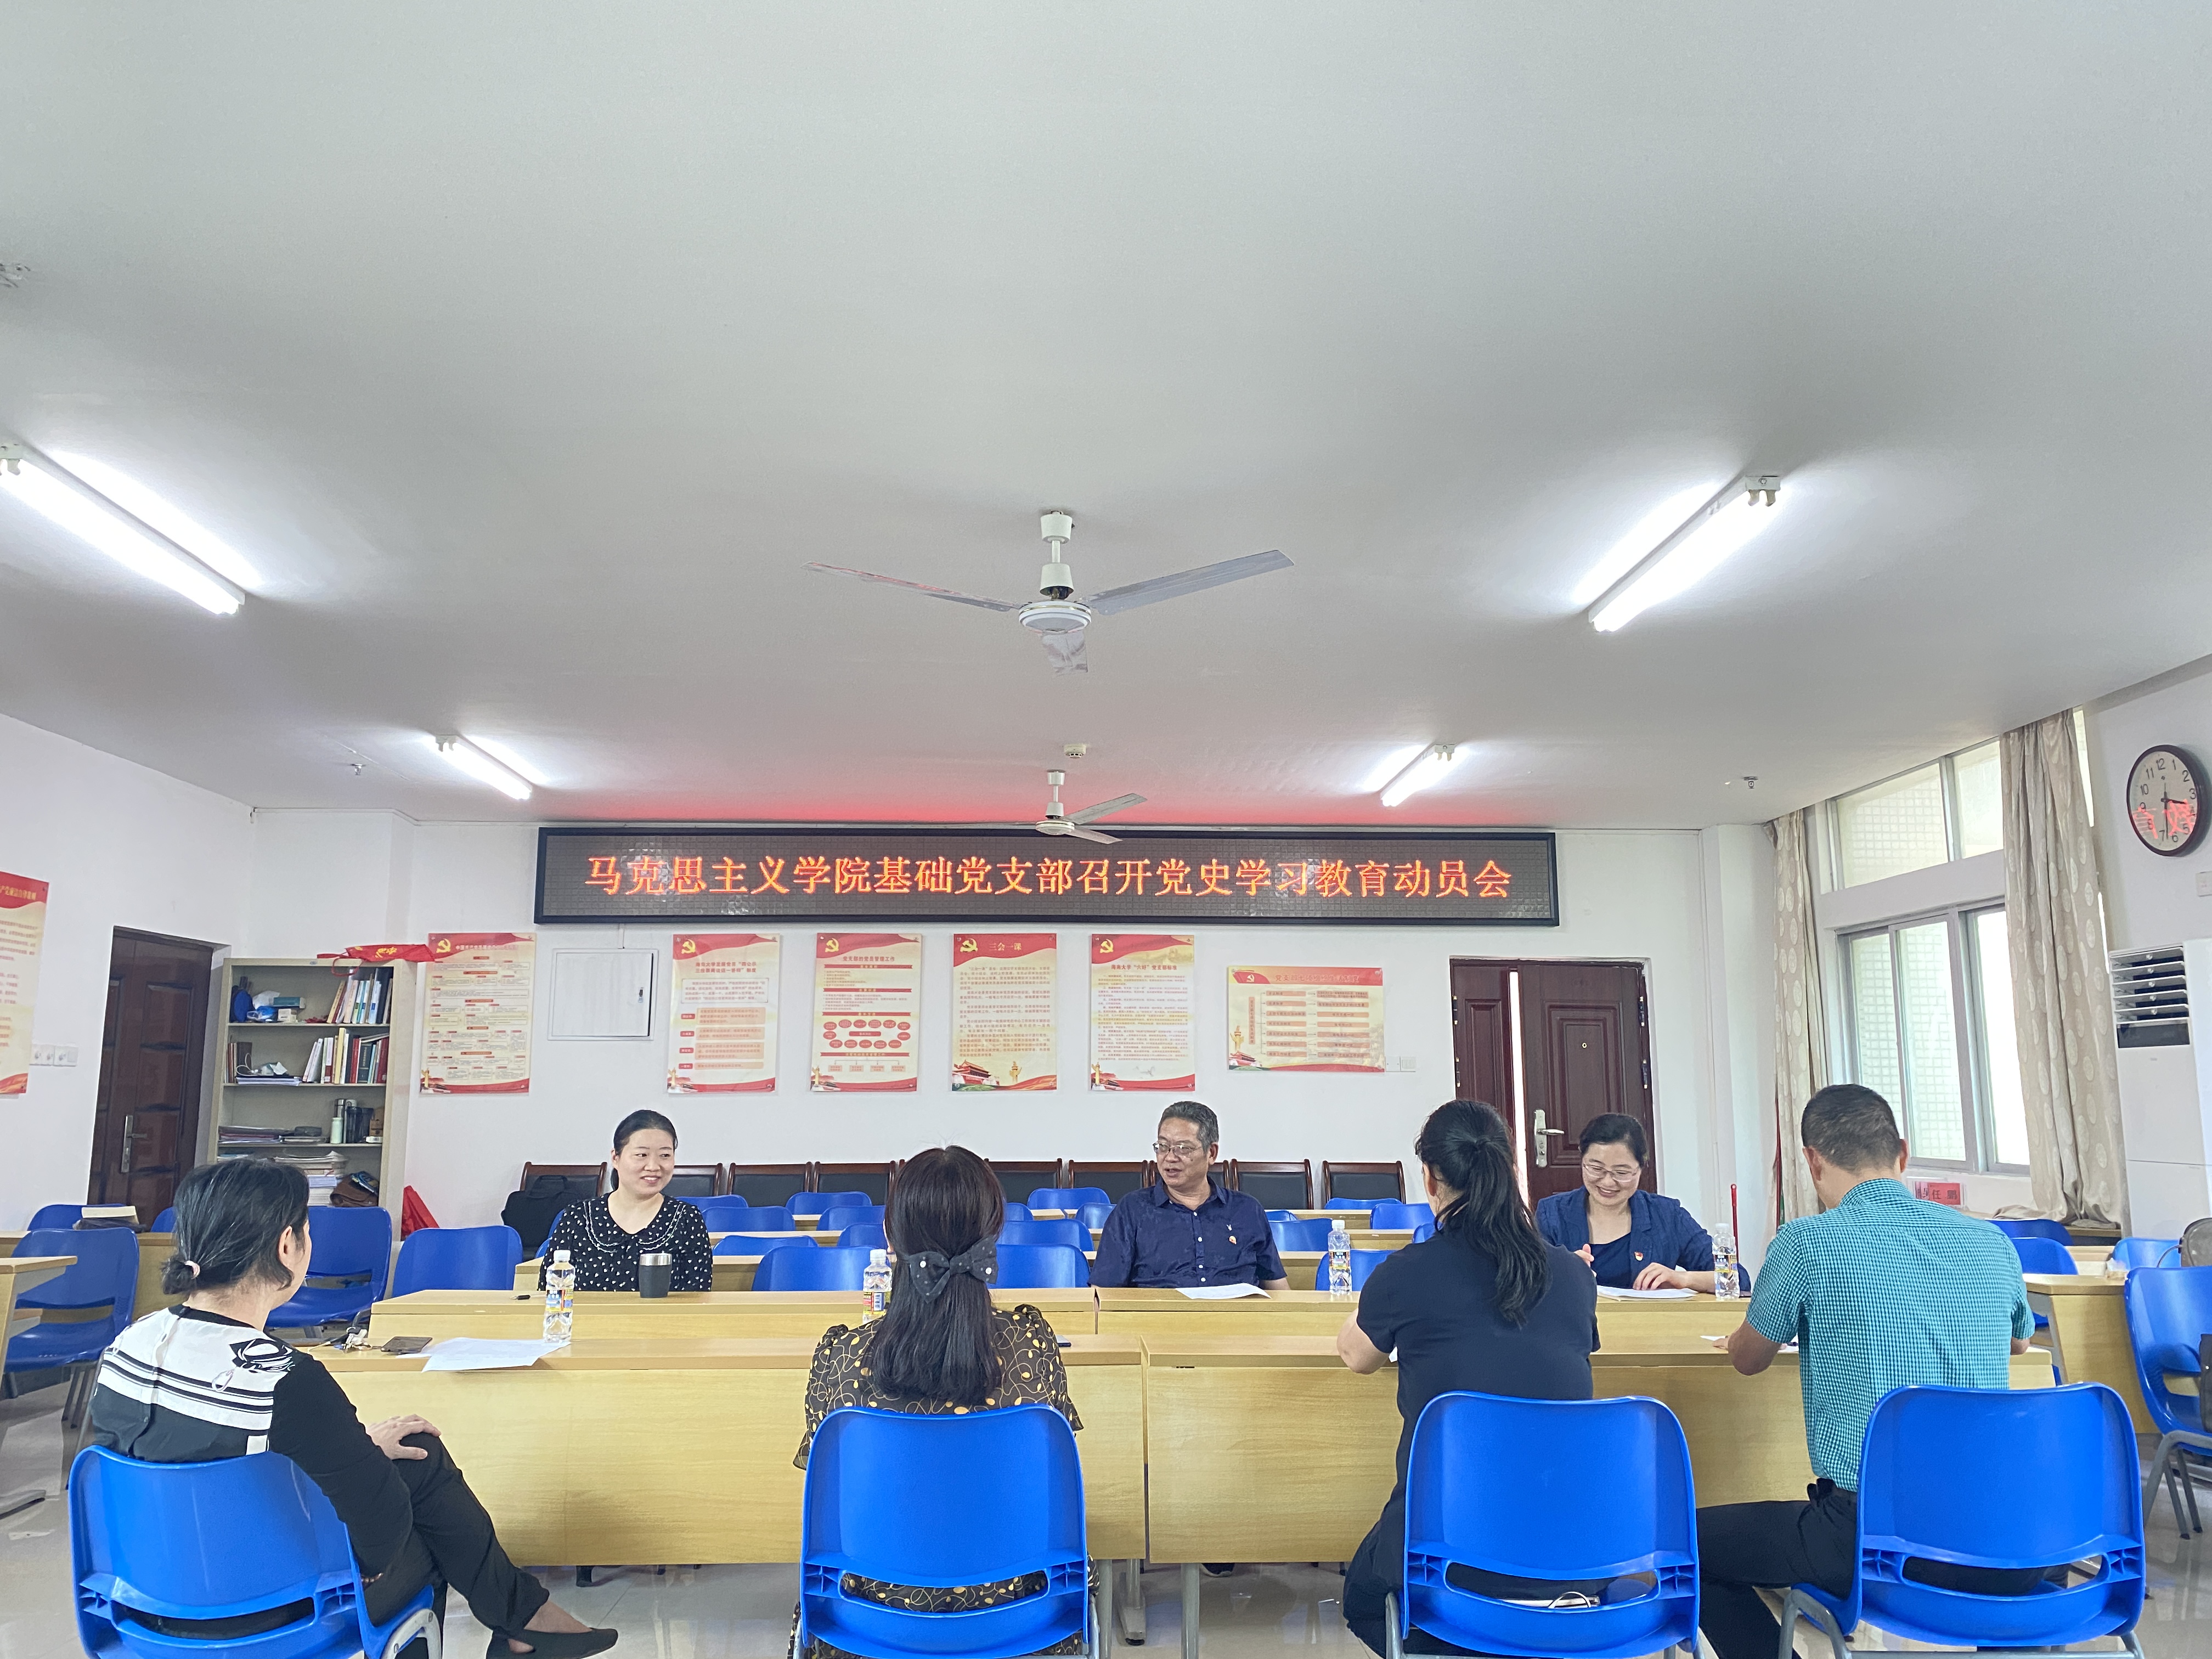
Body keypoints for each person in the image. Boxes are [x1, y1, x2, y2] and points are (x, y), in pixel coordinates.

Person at [89, 1158, 615, 1658]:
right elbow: (380, 1538)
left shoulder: (127, 1346)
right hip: (267, 1607)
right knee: (425, 1529)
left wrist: (360, 1452)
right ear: (287, 1245)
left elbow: (184, 1464)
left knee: (415, 1454)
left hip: (140, 1598)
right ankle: (522, 1620)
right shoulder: (285, 1380)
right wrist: (362, 1466)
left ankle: (527, 1620)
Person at [1695, 1085, 2040, 1659]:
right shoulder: (1991, 1240)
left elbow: (1749, 1360)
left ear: (1812, 1161)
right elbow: (2021, 1342)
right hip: (2007, 1538)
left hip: (1875, 1539)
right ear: (1902, 1153)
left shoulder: (1806, 1242)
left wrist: (1739, 1338)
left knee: (1692, 1545)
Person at [794, 1146, 1084, 1659]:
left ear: (890, 1239)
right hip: (1021, 1617)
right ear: (994, 1237)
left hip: (868, 1621)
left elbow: (827, 1494)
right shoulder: (1033, 1345)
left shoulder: (840, 1355)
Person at [1335, 1100, 1601, 1655]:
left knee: (1363, 1597)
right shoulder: (1574, 1274)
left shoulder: (1407, 1272)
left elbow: (1357, 1356)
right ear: (1507, 1169)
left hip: (1447, 1548)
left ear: (1430, 1180)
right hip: (1575, 1549)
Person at [1089, 1101, 1289, 1293]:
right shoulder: (1133, 1210)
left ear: (1211, 1153)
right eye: (1162, 1146)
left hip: (1239, 1316)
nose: (1170, 1157)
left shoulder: (1246, 1210)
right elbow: (1102, 1293)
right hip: (1157, 1316)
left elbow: (1279, 1290)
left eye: (1183, 1148)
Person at [1534, 1113, 1728, 1291]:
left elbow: (1733, 1276)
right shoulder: (1552, 1213)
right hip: (1577, 1319)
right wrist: (1560, 1273)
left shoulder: (1667, 1215)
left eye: (1621, 1172)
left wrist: (1684, 1278)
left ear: (1641, 1168)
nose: (1608, 1182)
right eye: (1596, 1168)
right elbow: (1528, 1284)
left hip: (1647, 1319)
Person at [538, 1109, 712, 1292]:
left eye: (665, 1156)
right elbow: (549, 1292)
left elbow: (698, 1294)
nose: (654, 1166)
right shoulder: (578, 1217)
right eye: (642, 1155)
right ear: (616, 1158)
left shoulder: (687, 1219)